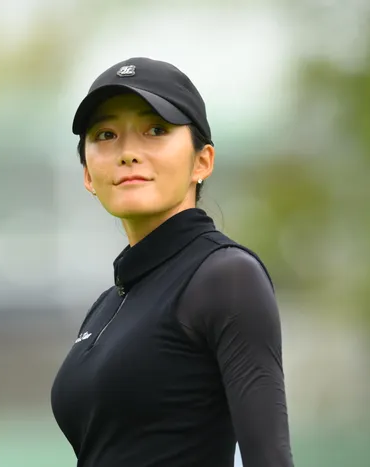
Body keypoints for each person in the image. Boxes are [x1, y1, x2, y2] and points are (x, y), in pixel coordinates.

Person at [50, 57, 294, 467]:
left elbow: (269, 459)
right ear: (88, 175)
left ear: (203, 161)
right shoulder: (107, 305)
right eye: (106, 134)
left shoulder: (226, 277)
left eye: (156, 130)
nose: (128, 153)